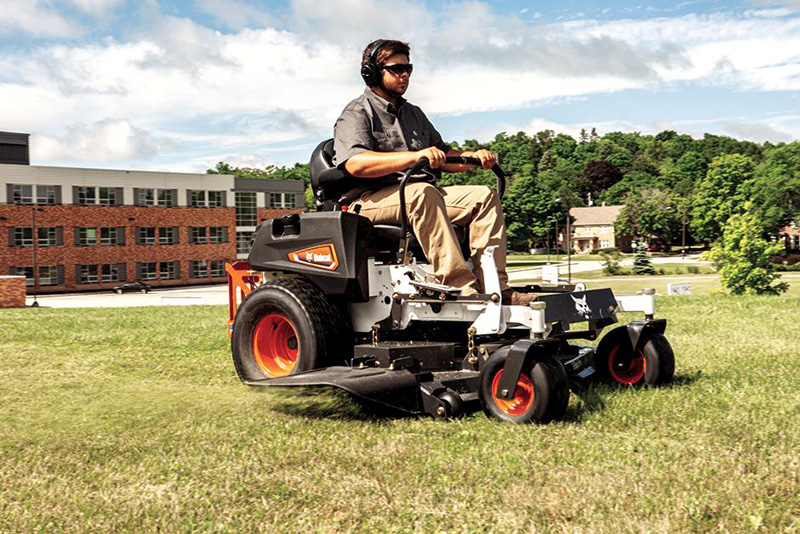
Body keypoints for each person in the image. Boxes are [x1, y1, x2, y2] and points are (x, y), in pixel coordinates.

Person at [333, 39, 534, 305]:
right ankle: (461, 289)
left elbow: (442, 156)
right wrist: (415, 157)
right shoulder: (357, 112)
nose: (404, 74)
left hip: (418, 195)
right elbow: (356, 163)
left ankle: (497, 288)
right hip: (369, 200)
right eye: (396, 69)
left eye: (408, 68)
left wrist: (472, 158)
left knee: (482, 197)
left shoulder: (414, 114)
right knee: (423, 193)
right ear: (371, 73)